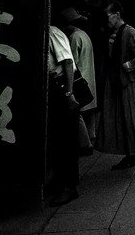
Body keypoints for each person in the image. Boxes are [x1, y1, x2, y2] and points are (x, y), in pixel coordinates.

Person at [96, 0, 135, 177]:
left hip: (128, 83)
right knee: (120, 119)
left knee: (133, 120)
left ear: (117, 15)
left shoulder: (129, 31)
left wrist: (129, 65)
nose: (107, 20)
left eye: (108, 16)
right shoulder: (114, 32)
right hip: (115, 82)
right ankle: (129, 156)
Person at [47, 24, 81, 206]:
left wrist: (69, 93)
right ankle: (58, 182)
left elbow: (67, 61)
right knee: (56, 138)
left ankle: (70, 187)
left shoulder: (53, 32)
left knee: (66, 139)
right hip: (53, 87)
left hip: (62, 87)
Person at [59, 7, 97, 154]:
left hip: (80, 77)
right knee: (89, 110)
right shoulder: (84, 34)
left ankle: (85, 143)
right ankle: (92, 134)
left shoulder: (74, 37)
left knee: (78, 111)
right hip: (88, 75)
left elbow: (71, 61)